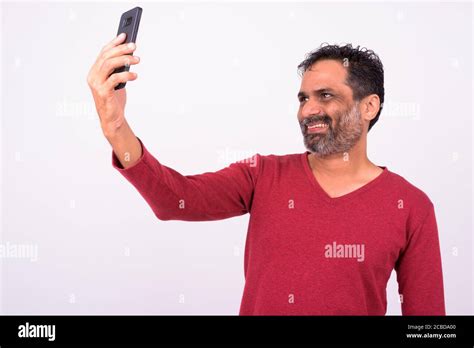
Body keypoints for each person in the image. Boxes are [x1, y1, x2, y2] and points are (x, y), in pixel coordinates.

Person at [87, 35, 445, 315]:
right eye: (303, 98)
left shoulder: (411, 206)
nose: (309, 110)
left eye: (325, 95)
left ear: (369, 106)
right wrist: (117, 128)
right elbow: (173, 199)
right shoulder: (263, 175)